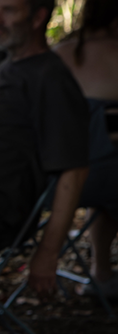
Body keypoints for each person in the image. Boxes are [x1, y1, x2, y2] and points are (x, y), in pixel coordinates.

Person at [0, 0, 89, 296]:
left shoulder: (49, 76)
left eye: (9, 10)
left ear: (38, 18)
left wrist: (48, 252)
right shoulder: (9, 68)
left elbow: (74, 170)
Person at [55, 0, 118, 298]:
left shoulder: (59, 53)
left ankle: (100, 272)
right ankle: (101, 272)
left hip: (49, 183)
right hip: (103, 179)